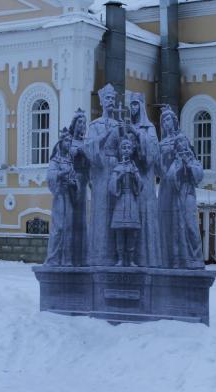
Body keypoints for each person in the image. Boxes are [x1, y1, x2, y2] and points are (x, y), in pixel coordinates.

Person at [157, 106, 205, 269]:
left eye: (169, 119)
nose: (166, 123)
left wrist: (186, 164)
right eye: (163, 120)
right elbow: (160, 168)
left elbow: (198, 174)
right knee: (172, 224)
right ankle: (173, 257)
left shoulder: (187, 152)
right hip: (168, 189)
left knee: (190, 224)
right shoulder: (162, 143)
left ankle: (195, 257)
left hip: (186, 192)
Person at [84, 84, 122, 266]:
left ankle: (117, 253)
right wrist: (104, 136)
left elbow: (124, 148)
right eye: (107, 98)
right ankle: (99, 253)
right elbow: (89, 148)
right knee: (100, 211)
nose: (111, 102)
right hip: (100, 171)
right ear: (101, 101)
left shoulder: (118, 125)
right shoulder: (95, 125)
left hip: (115, 169)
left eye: (113, 99)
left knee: (116, 210)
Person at [127, 92, 161, 267]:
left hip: (145, 180)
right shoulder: (128, 128)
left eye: (135, 104)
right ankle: (132, 257)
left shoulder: (149, 129)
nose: (133, 108)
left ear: (141, 106)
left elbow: (152, 157)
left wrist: (138, 135)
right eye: (130, 105)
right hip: (131, 181)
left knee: (145, 215)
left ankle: (148, 258)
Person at [44, 132, 79, 267]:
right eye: (66, 141)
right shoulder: (55, 161)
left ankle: (66, 259)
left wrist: (74, 183)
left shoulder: (70, 161)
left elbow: (74, 178)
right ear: (61, 143)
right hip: (59, 195)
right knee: (58, 228)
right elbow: (50, 176)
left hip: (69, 196)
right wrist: (61, 174)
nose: (68, 143)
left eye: (70, 141)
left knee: (69, 227)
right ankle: (53, 258)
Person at [109, 138, 143, 267]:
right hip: (121, 199)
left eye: (129, 147)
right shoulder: (117, 167)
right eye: (124, 148)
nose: (126, 150)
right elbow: (111, 186)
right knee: (119, 231)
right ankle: (120, 259)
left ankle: (131, 259)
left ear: (132, 150)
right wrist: (119, 177)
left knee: (132, 231)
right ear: (120, 150)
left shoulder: (134, 167)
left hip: (132, 200)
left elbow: (140, 186)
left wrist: (135, 175)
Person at [68, 109, 89, 266]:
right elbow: (63, 157)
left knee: (81, 219)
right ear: (74, 124)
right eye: (79, 122)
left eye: (84, 122)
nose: (82, 125)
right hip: (70, 182)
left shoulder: (86, 143)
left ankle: (80, 255)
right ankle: (68, 255)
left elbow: (90, 164)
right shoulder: (68, 142)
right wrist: (75, 152)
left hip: (83, 180)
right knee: (70, 217)